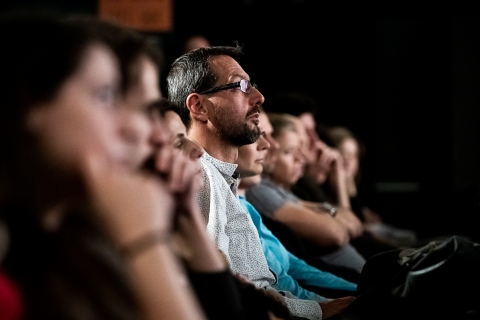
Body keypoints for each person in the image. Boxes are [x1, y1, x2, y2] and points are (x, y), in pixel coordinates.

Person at [167, 45, 355, 320]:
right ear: (199, 107)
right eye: (240, 86)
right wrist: (317, 311)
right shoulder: (200, 177)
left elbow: (265, 287)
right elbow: (231, 294)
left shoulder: (224, 180)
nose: (258, 97)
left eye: (252, 85)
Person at [236, 111, 358, 301]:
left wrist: (358, 288)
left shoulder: (246, 206)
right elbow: (335, 235)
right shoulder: (256, 194)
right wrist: (323, 307)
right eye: (257, 135)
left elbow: (296, 267)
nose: (269, 145)